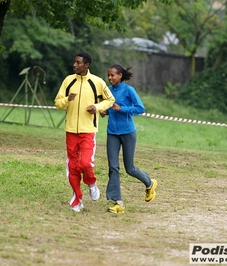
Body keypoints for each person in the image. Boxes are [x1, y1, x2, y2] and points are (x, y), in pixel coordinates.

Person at [54, 52, 115, 212]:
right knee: (73, 167)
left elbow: (110, 100)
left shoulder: (98, 82)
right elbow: (58, 102)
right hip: (70, 131)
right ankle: (77, 199)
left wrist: (97, 107)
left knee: (86, 163)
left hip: (88, 131)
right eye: (74, 62)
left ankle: (91, 183)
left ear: (86, 65)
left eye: (78, 63)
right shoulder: (68, 80)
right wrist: (67, 100)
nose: (75, 65)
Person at [100, 64, 157, 214]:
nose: (110, 78)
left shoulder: (129, 90)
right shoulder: (107, 91)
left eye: (112, 75)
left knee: (129, 168)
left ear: (120, 75)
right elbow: (107, 109)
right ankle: (118, 202)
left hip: (128, 133)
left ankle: (150, 183)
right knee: (113, 167)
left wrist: (122, 109)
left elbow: (140, 108)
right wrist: (104, 112)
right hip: (112, 133)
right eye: (109, 75)